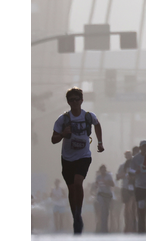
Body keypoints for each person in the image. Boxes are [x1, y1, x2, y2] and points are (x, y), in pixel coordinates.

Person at [51, 87, 104, 234]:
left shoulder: (88, 116)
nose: (74, 102)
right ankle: (75, 213)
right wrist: (62, 134)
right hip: (67, 158)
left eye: (77, 99)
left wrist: (100, 142)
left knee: (78, 182)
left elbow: (97, 124)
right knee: (71, 188)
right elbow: (53, 139)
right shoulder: (63, 119)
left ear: (81, 100)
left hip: (83, 156)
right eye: (71, 100)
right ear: (68, 102)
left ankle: (78, 214)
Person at [116, 150, 137, 233]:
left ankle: (133, 222)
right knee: (127, 206)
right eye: (127, 155)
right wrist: (125, 175)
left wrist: (133, 177)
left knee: (134, 206)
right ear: (125, 156)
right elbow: (117, 177)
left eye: (130, 155)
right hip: (125, 187)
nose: (128, 156)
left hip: (134, 187)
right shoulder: (122, 166)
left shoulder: (135, 165)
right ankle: (127, 223)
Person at [94, 165, 115, 233]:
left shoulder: (108, 176)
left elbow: (112, 184)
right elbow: (96, 185)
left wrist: (107, 182)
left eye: (104, 170)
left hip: (107, 195)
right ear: (100, 171)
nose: (103, 171)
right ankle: (101, 227)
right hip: (101, 194)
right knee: (102, 210)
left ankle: (105, 227)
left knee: (106, 212)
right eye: (102, 170)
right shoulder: (98, 177)